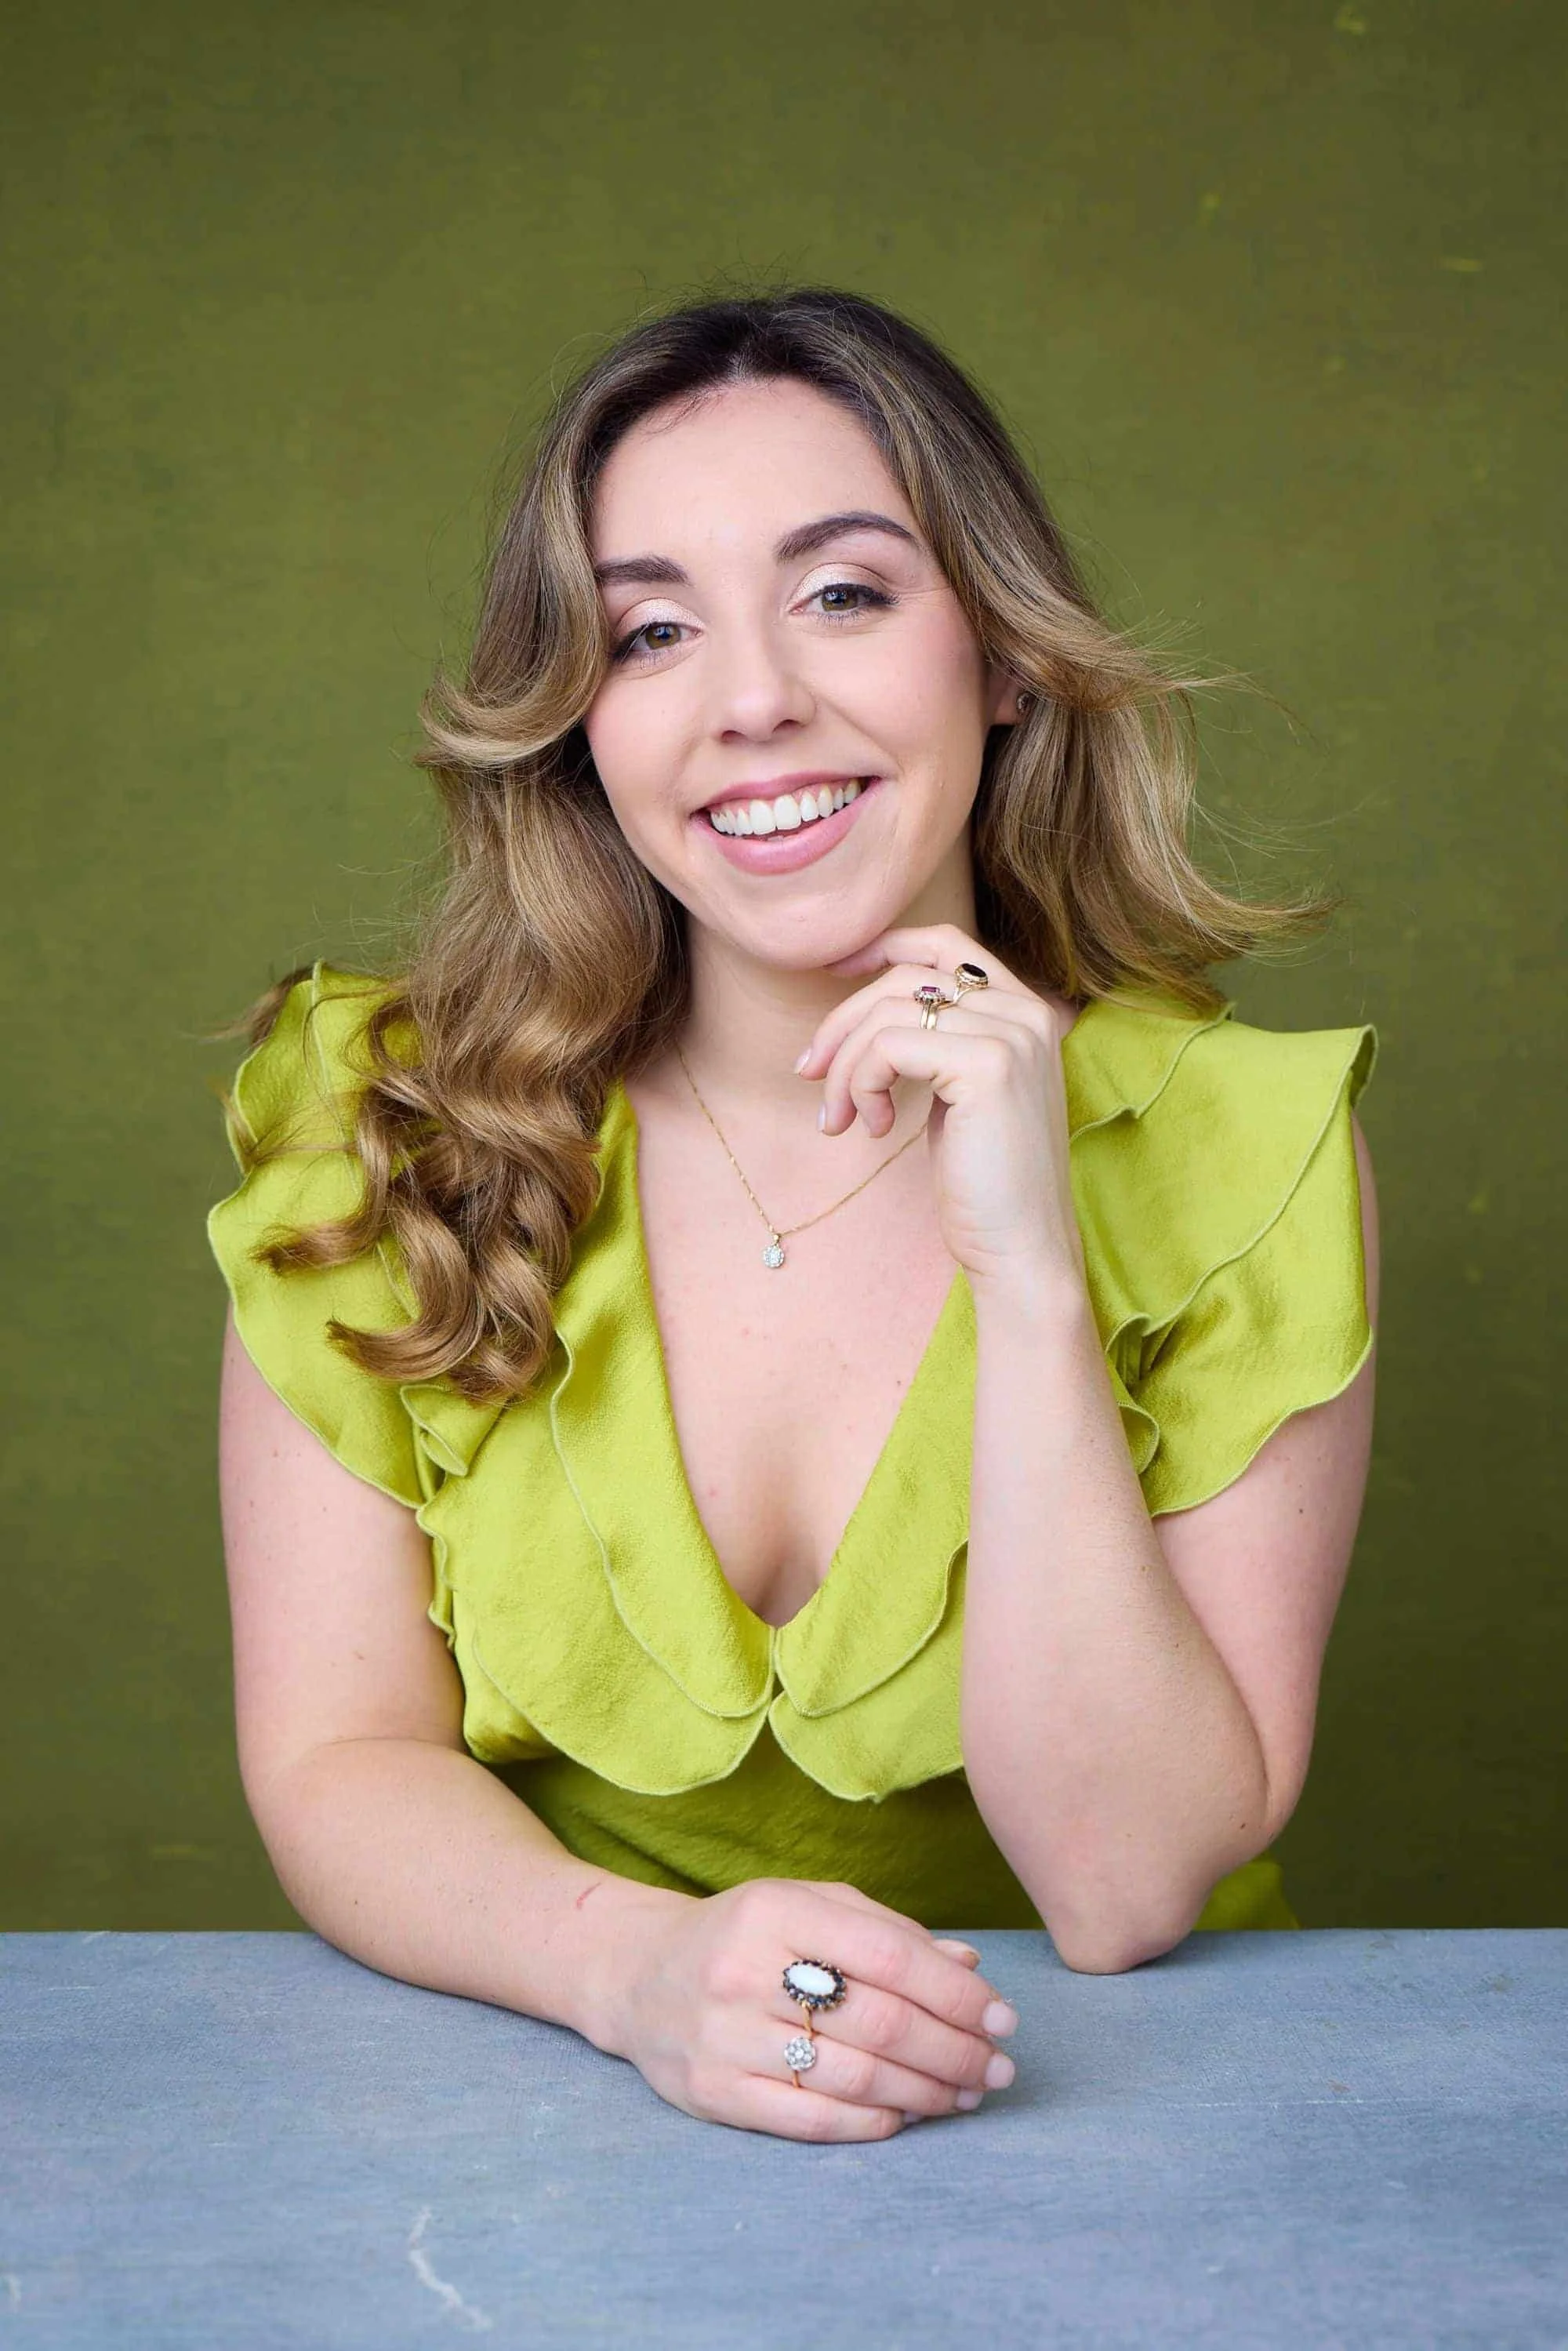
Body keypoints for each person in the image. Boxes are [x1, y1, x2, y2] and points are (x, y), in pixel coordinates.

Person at [206, 285, 1380, 2145]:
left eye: (843, 591)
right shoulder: (387, 1112)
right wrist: (633, 1973)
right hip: (559, 2115)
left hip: (1144, 2135)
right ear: (578, 718)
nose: (751, 698)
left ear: (999, 652)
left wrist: (1030, 1275)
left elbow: (1121, 1883)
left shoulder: (1234, 1139)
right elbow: (336, 1754)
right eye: (650, 627)